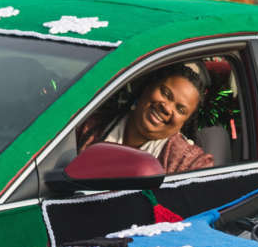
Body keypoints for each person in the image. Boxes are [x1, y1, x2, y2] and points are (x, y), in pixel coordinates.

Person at [77, 63, 215, 173]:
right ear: (147, 87)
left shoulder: (189, 164)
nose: (167, 108)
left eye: (180, 109)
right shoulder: (87, 126)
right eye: (166, 93)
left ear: (184, 122)